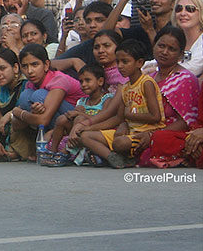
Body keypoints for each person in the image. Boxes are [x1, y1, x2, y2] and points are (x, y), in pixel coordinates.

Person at [69, 39, 166, 168]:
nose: (120, 66)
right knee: (85, 136)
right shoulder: (125, 87)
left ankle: (117, 155)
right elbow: (118, 118)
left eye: (125, 62)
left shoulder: (146, 83)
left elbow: (156, 117)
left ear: (139, 63)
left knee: (119, 143)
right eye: (118, 61)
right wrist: (89, 128)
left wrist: (129, 116)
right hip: (129, 131)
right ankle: (114, 158)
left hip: (146, 131)